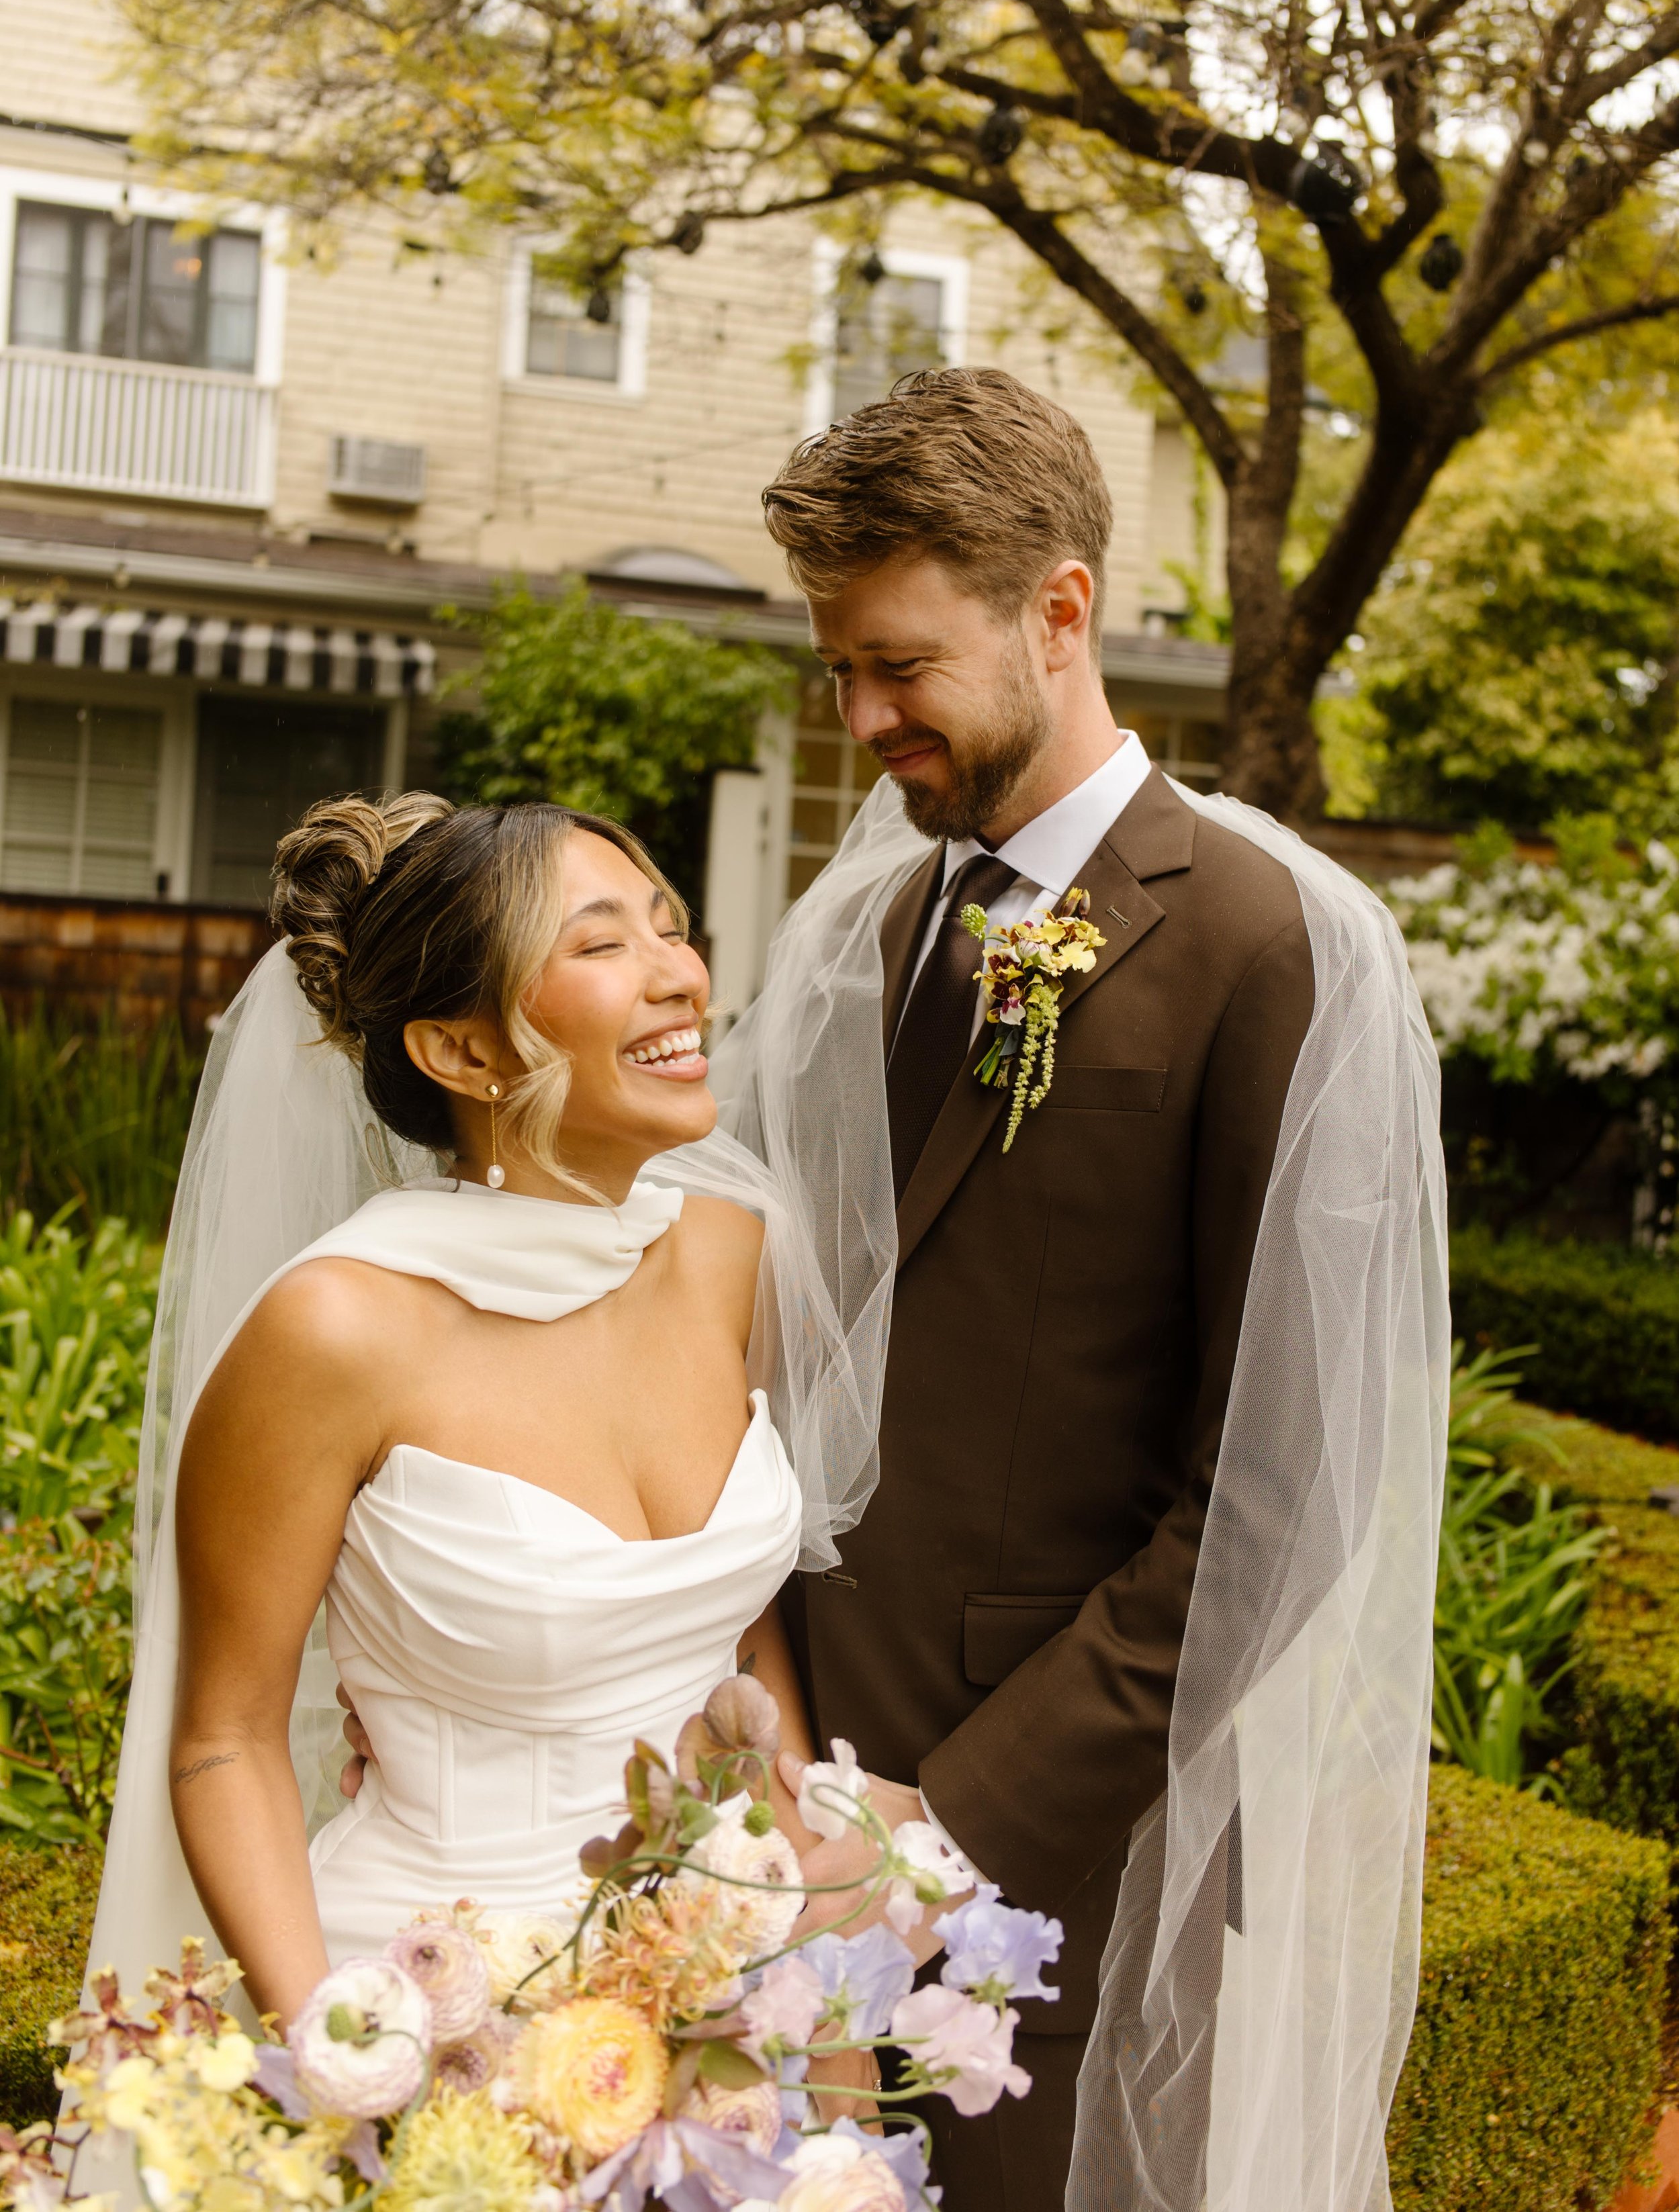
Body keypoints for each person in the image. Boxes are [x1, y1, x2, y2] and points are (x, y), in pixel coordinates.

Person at [707, 368, 1448, 2212]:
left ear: (1056, 607)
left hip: (1068, 1851)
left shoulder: (1273, 943)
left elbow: (1283, 1493)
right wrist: (783, 1756)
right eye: (840, 673)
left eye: (899, 663)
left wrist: (944, 1823)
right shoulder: (868, 928)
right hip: (794, 1811)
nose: (864, 716)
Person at [84, 796, 838, 2034]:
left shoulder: (727, 1251)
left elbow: (742, 1633)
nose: (680, 977)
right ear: (464, 1054)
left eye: (671, 927)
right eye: (602, 946)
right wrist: (333, 2055)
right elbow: (225, 1739)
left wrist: (803, 1889)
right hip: (433, 1995)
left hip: (724, 1993)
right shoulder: (334, 1330)